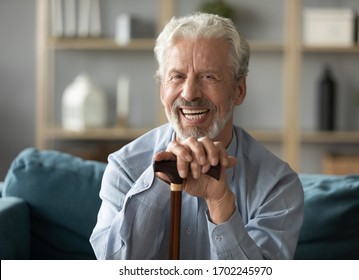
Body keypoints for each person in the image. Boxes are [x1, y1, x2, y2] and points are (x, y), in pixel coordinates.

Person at [90, 12, 304, 260]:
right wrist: (157, 184)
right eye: (177, 76)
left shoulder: (277, 186)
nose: (190, 94)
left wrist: (221, 205)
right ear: (162, 91)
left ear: (239, 90)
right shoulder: (125, 167)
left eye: (208, 76)